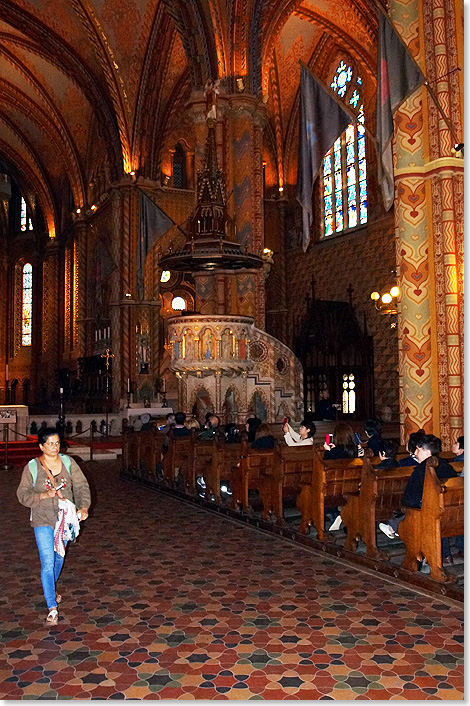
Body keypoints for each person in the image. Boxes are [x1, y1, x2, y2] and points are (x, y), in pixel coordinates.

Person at [17, 428, 91, 626]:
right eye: (50, 443)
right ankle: (52, 607)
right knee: (47, 561)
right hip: (42, 518)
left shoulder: (68, 463)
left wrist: (83, 506)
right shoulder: (32, 467)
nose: (54, 447)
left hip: (65, 519)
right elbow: (22, 495)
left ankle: (49, 586)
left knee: (59, 557)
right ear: (41, 446)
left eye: (57, 443)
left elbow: (82, 486)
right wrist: (42, 496)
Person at [378, 434, 458, 566]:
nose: (415, 453)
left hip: (429, 515)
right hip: (451, 513)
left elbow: (409, 499)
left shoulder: (421, 471)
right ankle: (445, 555)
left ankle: (419, 558)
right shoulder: (448, 467)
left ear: (427, 452)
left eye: (418, 450)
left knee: (408, 520)